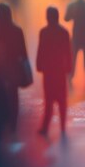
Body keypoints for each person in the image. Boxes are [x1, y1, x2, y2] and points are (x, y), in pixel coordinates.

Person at [0, 3, 30, 133]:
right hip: (13, 67)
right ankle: (13, 123)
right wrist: (25, 62)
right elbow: (23, 51)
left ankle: (1, 120)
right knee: (13, 95)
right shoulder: (17, 30)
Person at [37, 7, 72, 137]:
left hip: (48, 70)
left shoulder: (44, 32)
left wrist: (39, 65)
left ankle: (45, 127)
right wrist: (69, 67)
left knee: (48, 99)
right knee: (62, 99)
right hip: (60, 70)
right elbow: (68, 52)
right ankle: (62, 126)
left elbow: (41, 50)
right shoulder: (64, 32)